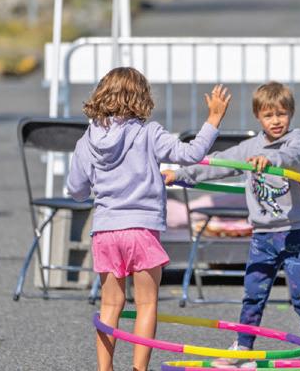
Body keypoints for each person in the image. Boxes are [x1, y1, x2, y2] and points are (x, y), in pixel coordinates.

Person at [67, 67, 231, 371]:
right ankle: (139, 369)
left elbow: (76, 191)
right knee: (146, 304)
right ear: (141, 98)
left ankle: (105, 369)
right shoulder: (148, 133)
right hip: (141, 231)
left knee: (110, 305)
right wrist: (213, 119)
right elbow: (190, 154)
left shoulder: (86, 141)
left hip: (105, 231)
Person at [162, 81, 300, 368]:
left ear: (290, 113)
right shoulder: (250, 148)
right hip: (262, 236)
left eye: (282, 114)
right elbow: (219, 163)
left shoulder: (297, 141)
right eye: (268, 115)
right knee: (253, 293)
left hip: (294, 234)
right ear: (257, 117)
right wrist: (180, 175)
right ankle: (244, 346)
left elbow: (292, 157)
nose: (276, 121)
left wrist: (269, 158)